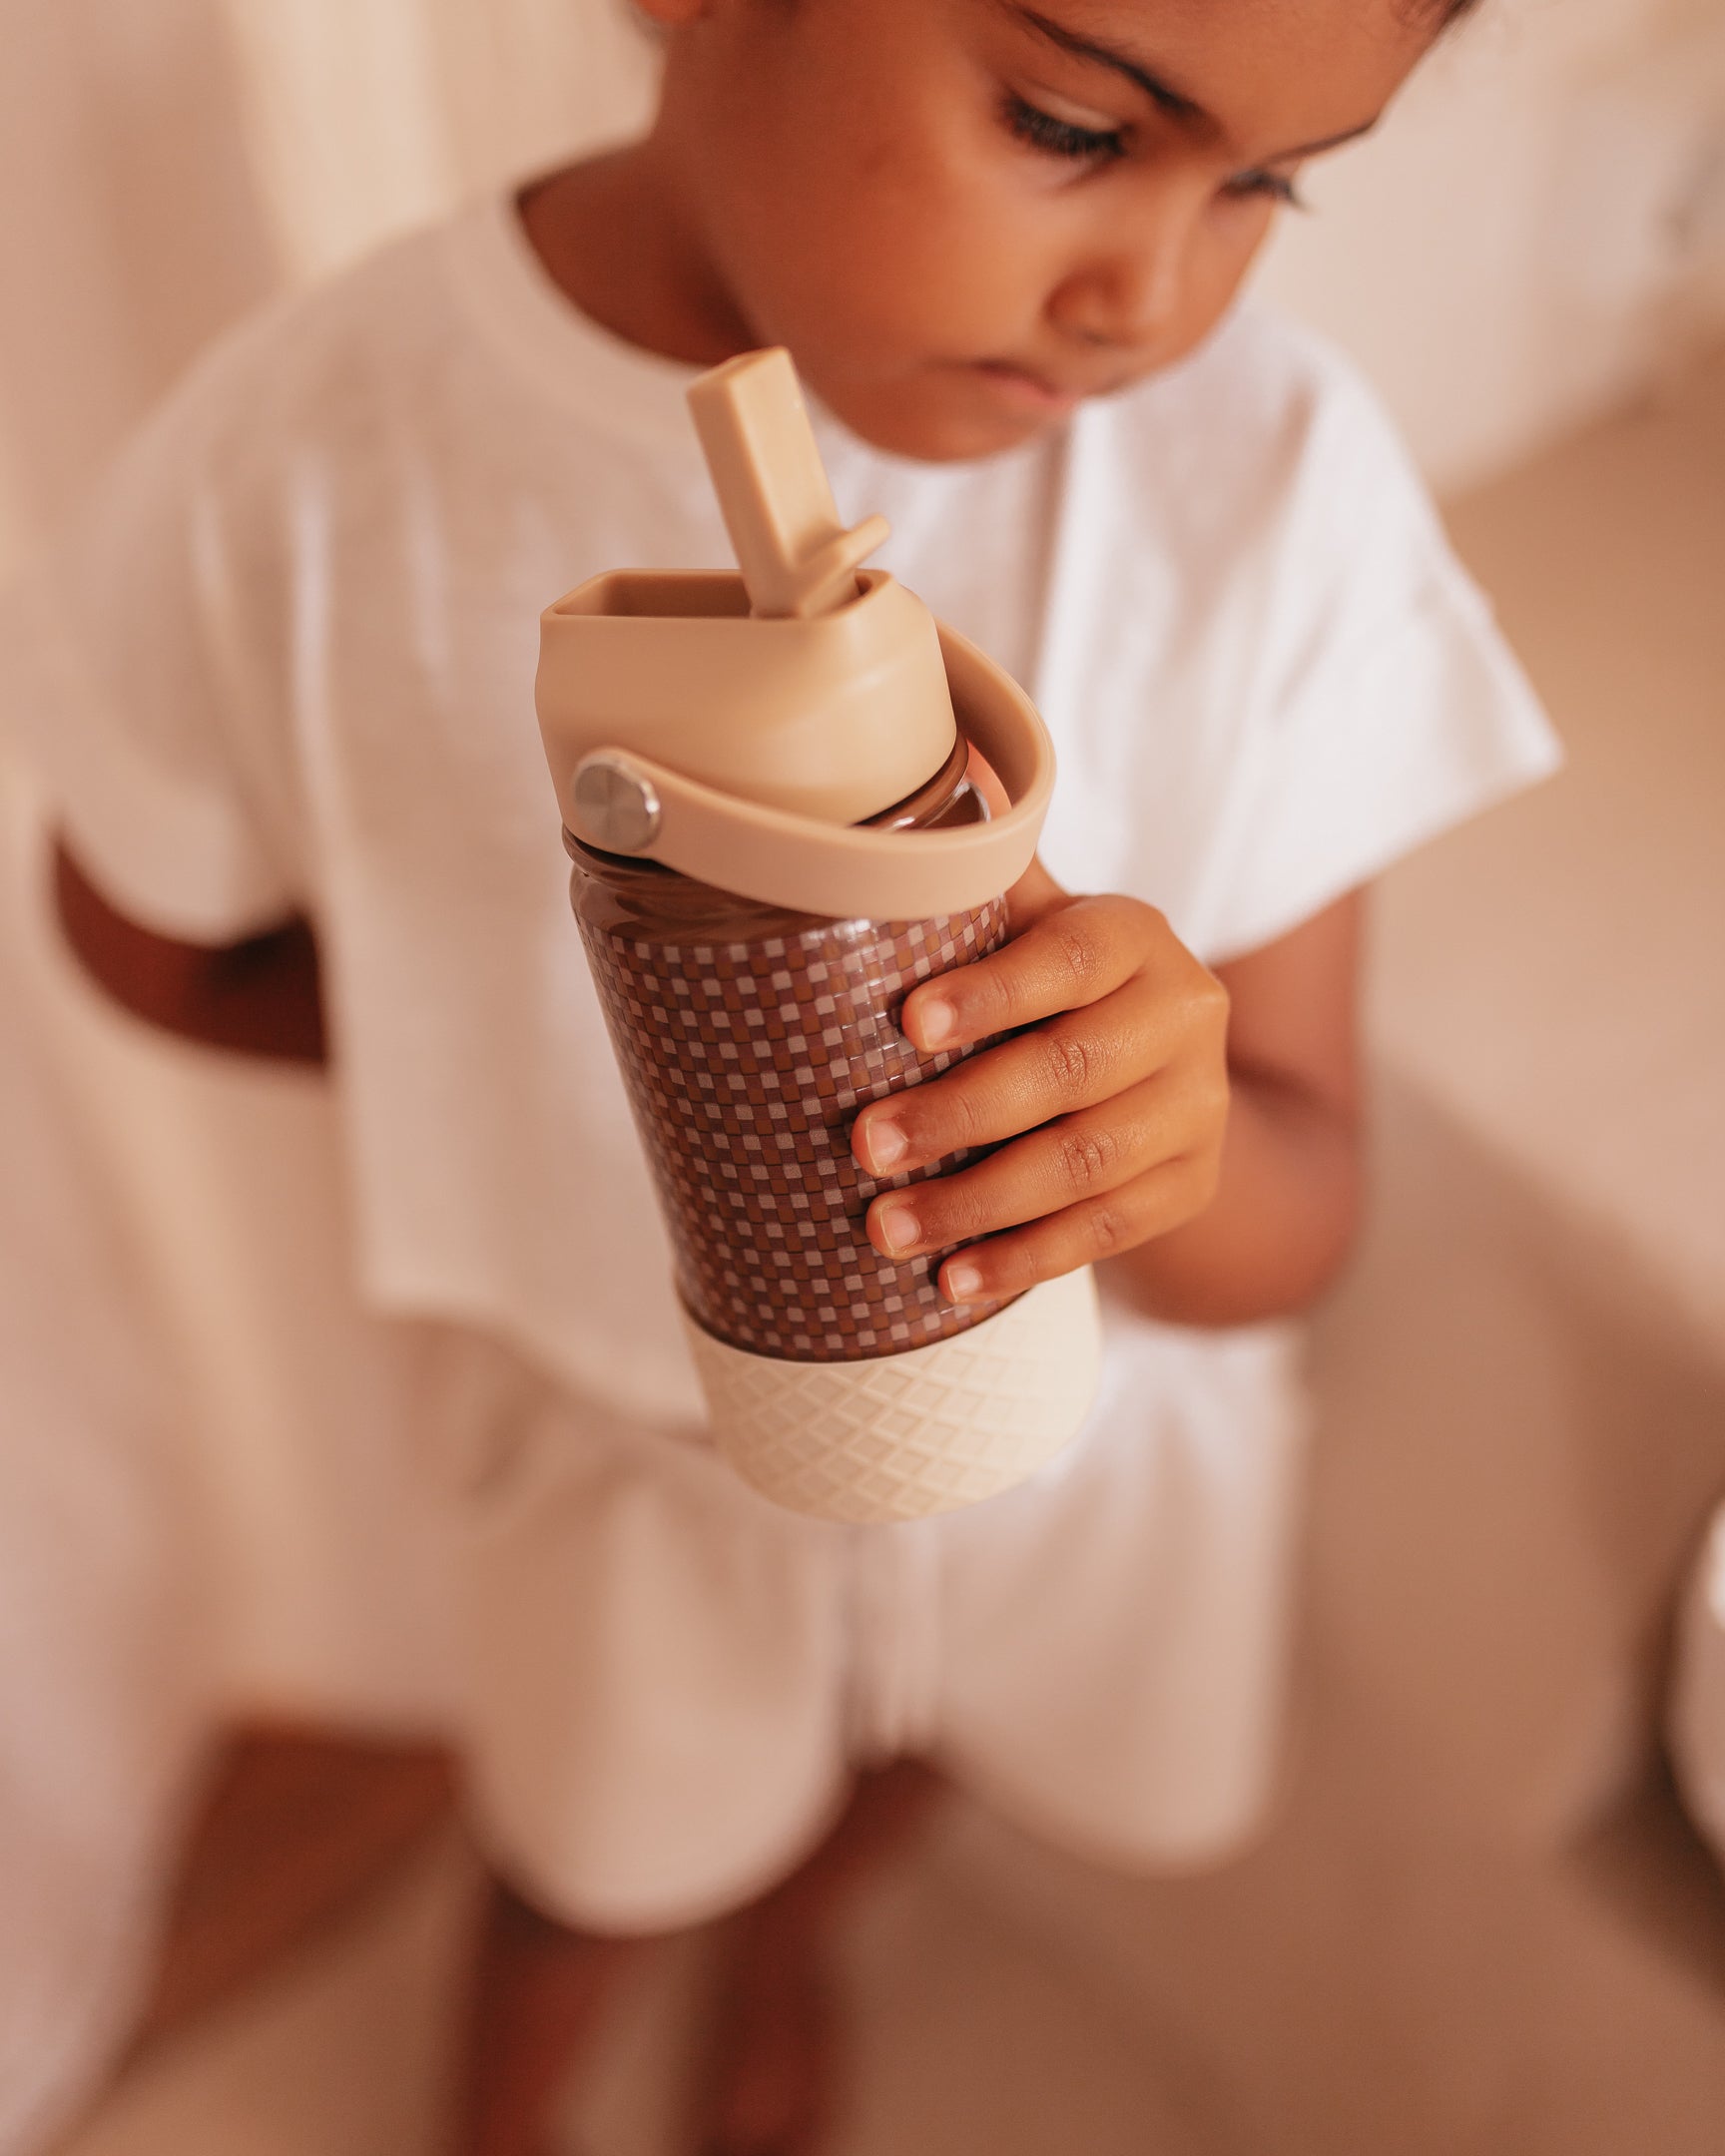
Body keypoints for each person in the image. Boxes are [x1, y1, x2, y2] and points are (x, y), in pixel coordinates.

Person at [7, 0, 1560, 2149]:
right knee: (588, 1860)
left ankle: (792, 1938)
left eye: (1267, 185)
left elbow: (1298, 1221)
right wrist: (538, 1054)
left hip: (1072, 1450)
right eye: (1068, 124)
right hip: (630, 1461)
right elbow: (143, 938)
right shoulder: (316, 468)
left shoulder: (1270, 490)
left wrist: (1154, 1142)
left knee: (925, 1753)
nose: (1151, 297)